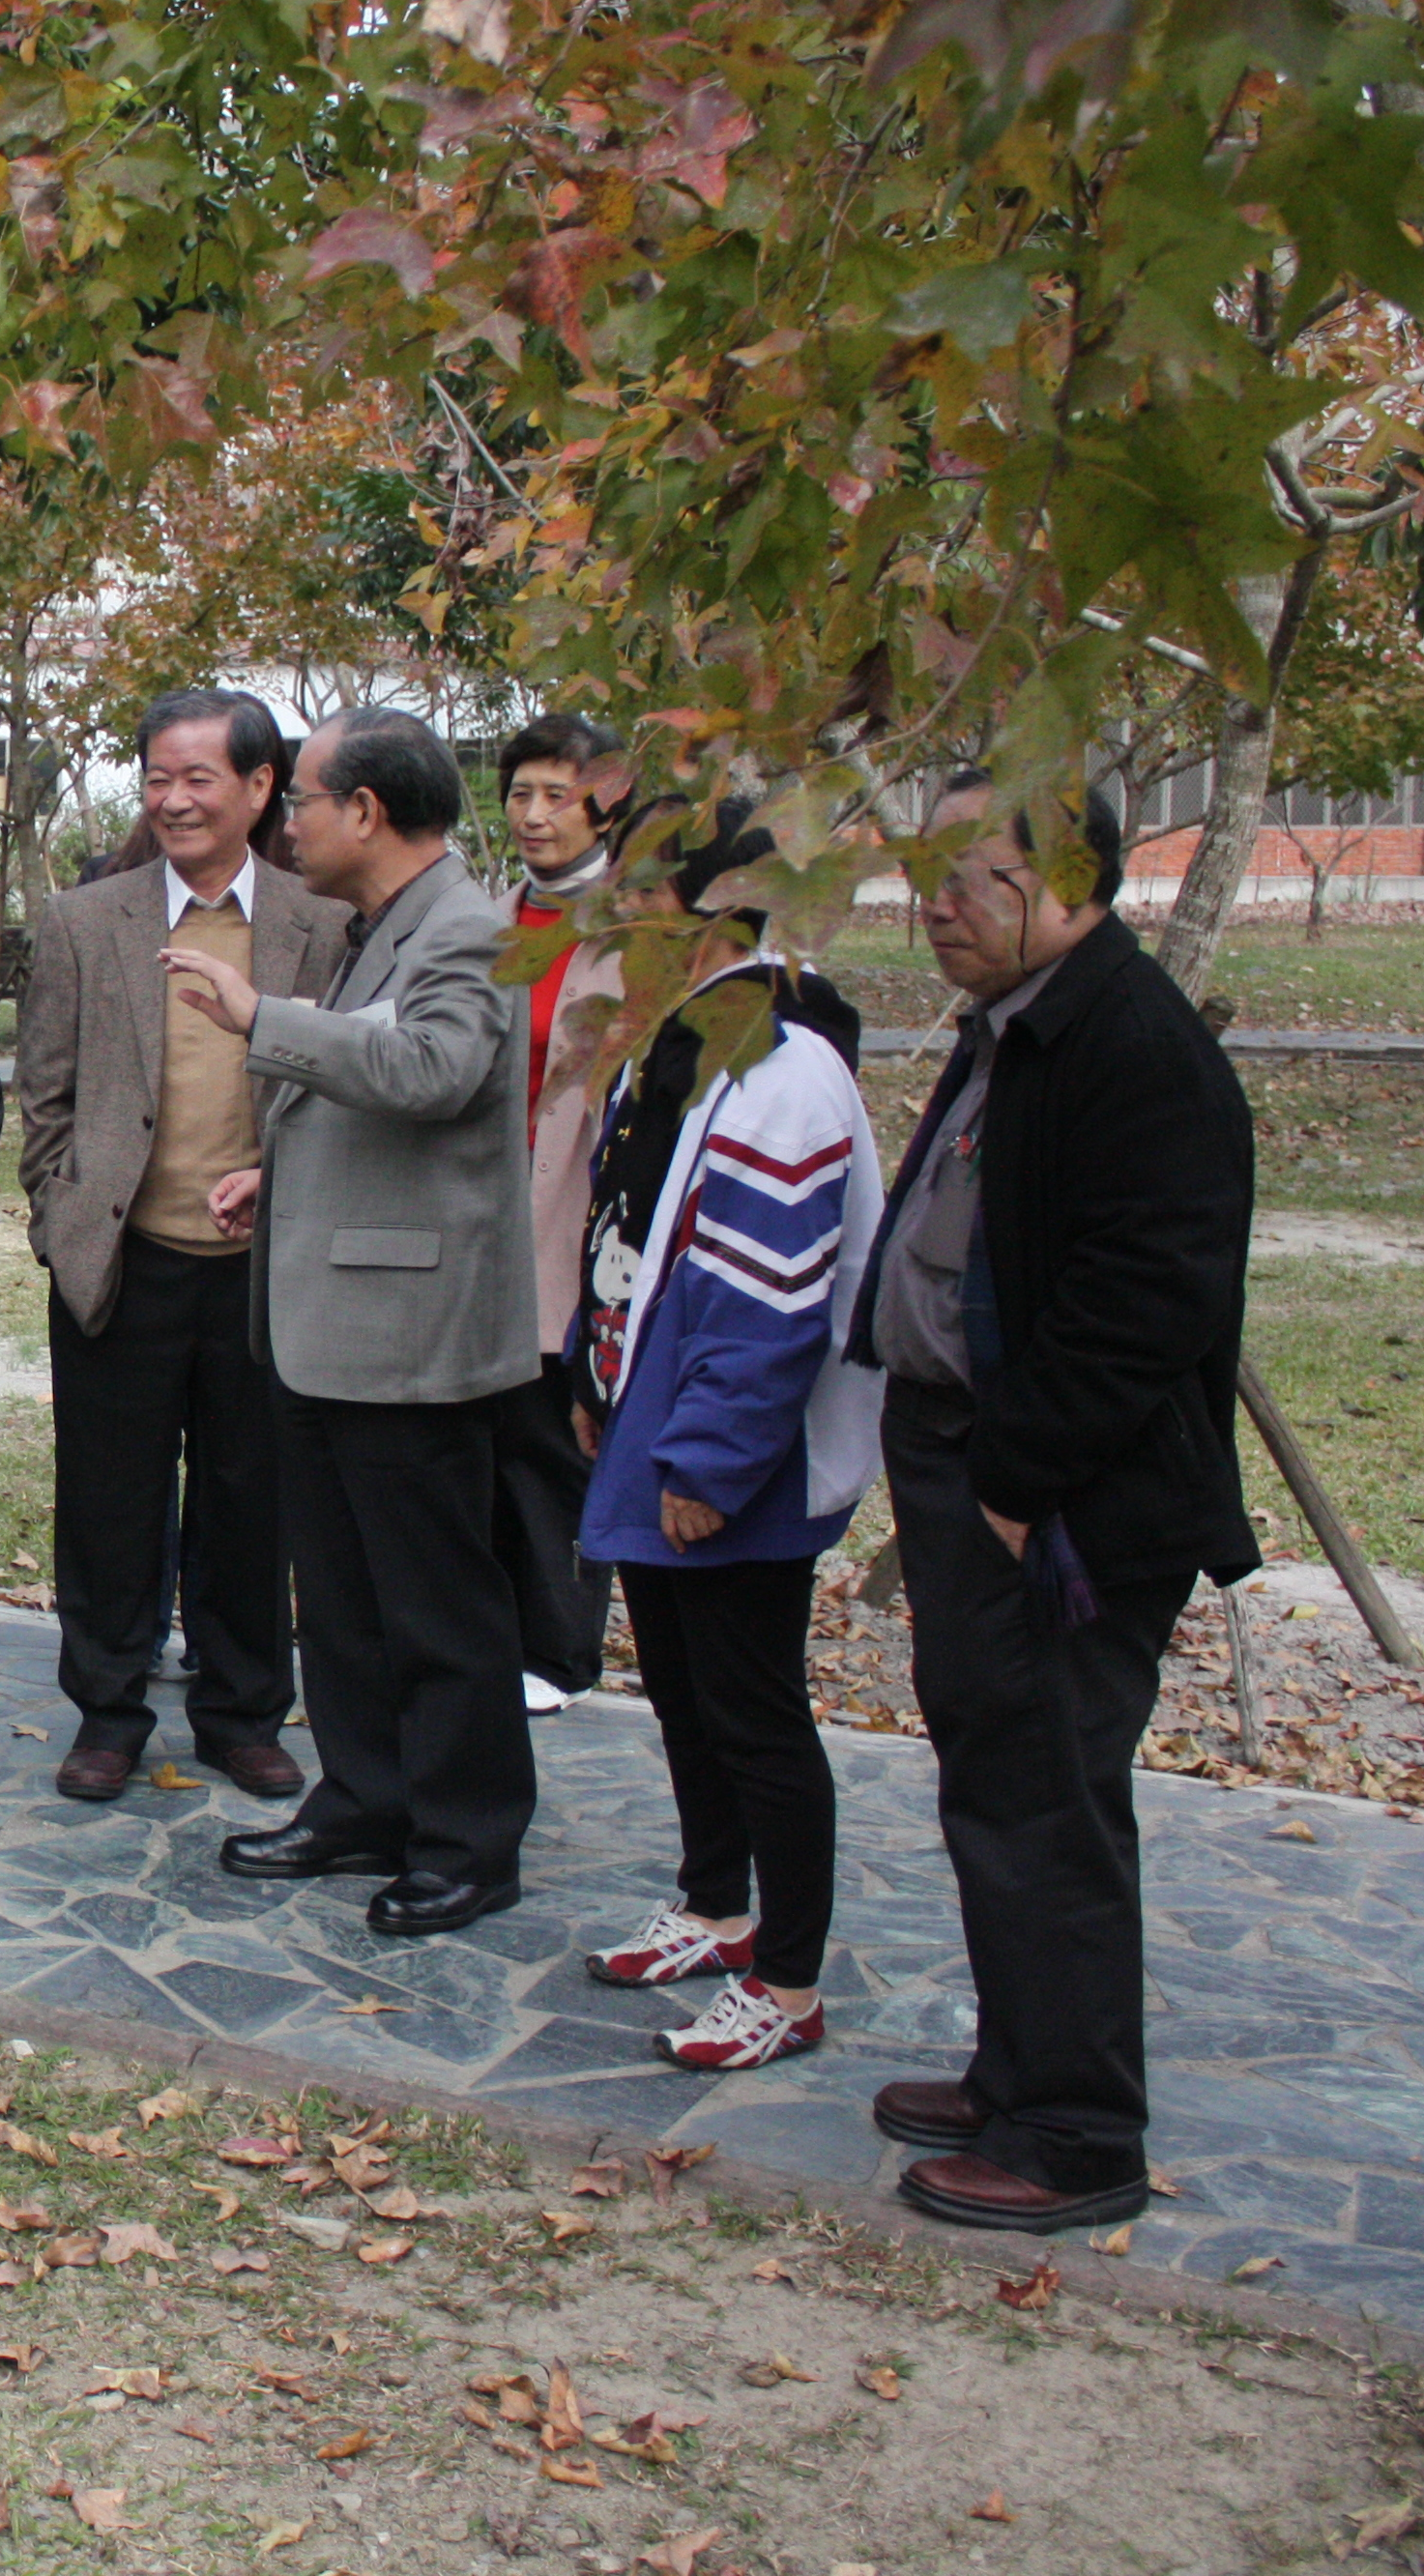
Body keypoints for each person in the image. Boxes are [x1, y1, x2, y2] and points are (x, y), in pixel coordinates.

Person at [854, 767, 1253, 2234]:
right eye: (929, 874)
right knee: (998, 1791)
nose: (934, 905)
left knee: (1048, 1806)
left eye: (970, 877)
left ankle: (1075, 2133)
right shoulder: (1021, 1027)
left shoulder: (1129, 1048)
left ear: (1069, 881)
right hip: (976, 1468)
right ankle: (1018, 2070)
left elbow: (1148, 1302)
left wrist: (1019, 1481)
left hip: (1060, 1507)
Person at [183, 706, 538, 1938]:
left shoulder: (469, 930)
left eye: (304, 800)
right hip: (327, 1320)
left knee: (433, 1603)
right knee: (336, 1597)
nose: (289, 822)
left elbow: (436, 1073)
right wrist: (280, 1178)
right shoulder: (376, 926)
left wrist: (259, 1021)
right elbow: (378, 1104)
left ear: (367, 812)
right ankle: (365, 1801)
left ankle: (467, 1840)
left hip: (410, 1334)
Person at [565, 801, 885, 2071]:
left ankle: (789, 1976)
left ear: (699, 910)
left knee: (755, 1708)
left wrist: (704, 1458)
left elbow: (769, 1295)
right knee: (689, 1699)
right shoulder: (686, 1044)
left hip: (733, 1455)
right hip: (658, 1419)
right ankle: (715, 1903)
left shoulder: (781, 1062)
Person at [13, 691, 345, 1808]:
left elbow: (346, 1094)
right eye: (159, 775)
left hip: (265, 1270)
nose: (174, 798)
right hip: (122, 1261)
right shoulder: (86, 919)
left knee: (255, 1502)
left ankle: (242, 1711)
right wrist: (62, 1219)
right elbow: (45, 1096)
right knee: (109, 1501)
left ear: (260, 788)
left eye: (201, 777)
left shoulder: (321, 924)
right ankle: (108, 1712)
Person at [501, 712, 635, 1715]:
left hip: (581, 1203)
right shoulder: (491, 915)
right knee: (486, 1427)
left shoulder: (635, 929)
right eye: (521, 793)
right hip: (484, 1200)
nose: (537, 814)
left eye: (559, 794)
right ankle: (495, 1626)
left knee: (559, 1426)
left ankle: (559, 1646)